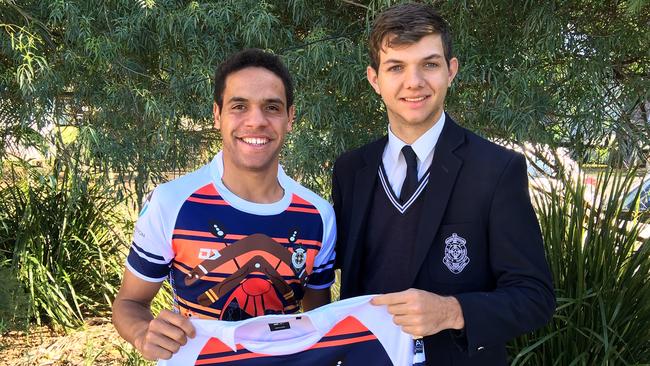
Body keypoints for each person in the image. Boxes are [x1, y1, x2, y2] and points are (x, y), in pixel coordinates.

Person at [332, 3, 555, 365]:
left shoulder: (497, 170)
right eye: (396, 67)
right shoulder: (351, 170)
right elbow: (315, 272)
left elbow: (535, 297)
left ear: (451, 71)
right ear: (375, 79)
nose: (414, 82)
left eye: (430, 64)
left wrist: (452, 311)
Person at [112, 49, 336, 361]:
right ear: (217, 115)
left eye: (272, 107)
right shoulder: (173, 202)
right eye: (239, 106)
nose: (256, 121)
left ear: (290, 118)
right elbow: (129, 304)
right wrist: (141, 332)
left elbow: (319, 319)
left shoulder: (318, 216)